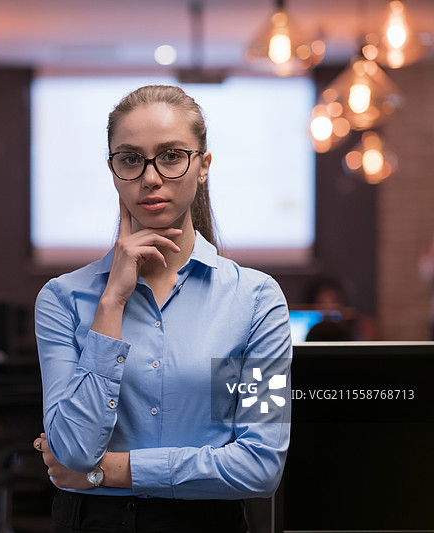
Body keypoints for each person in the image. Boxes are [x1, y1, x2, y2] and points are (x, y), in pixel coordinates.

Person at [32, 85, 292, 533]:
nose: (150, 177)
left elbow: (259, 466)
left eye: (171, 156)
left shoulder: (254, 300)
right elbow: (72, 451)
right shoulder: (62, 299)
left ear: (203, 165)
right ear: (114, 171)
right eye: (131, 159)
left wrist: (104, 473)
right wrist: (111, 302)